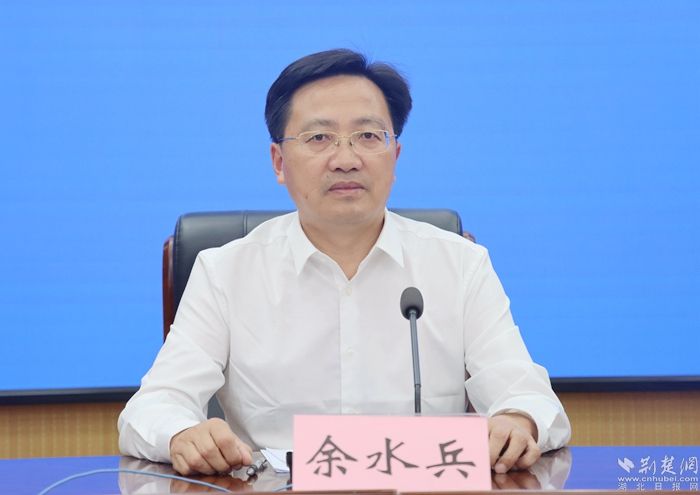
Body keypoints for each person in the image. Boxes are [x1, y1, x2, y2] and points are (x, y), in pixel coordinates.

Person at [118, 48, 571, 477]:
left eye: (368, 136)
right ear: (279, 162)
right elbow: (153, 407)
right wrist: (181, 433)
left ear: (395, 156)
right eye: (319, 138)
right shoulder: (225, 273)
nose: (346, 159)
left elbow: (528, 395)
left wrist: (517, 420)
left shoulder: (460, 265)